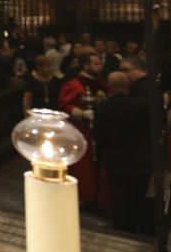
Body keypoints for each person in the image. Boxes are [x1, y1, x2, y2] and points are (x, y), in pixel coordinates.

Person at [94, 72, 152, 233]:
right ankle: (144, 226)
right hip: (141, 157)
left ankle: (123, 226)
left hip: (115, 157)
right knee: (140, 193)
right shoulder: (142, 107)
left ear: (109, 87)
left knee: (120, 194)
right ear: (128, 85)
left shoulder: (102, 108)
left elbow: (99, 136)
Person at [59, 53, 106, 204]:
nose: (100, 67)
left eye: (100, 64)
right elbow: (64, 106)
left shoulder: (100, 83)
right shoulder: (74, 85)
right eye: (96, 64)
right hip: (81, 131)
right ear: (86, 66)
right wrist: (82, 114)